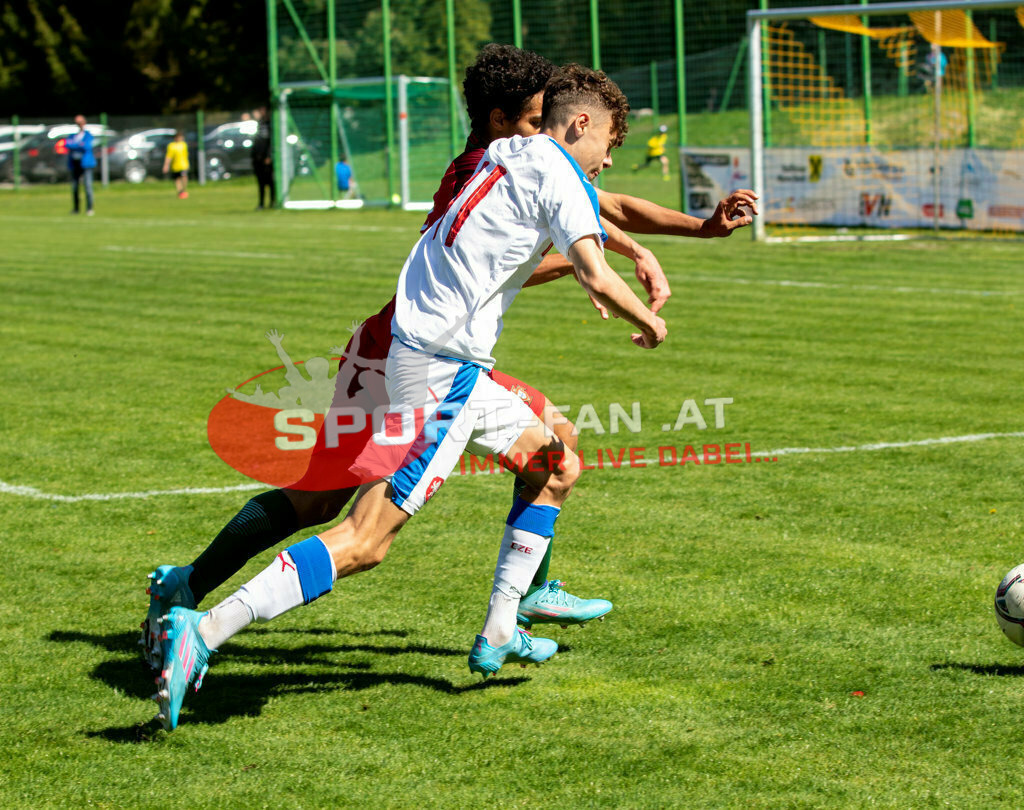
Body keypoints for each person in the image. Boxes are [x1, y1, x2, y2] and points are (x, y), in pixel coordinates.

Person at [150, 62, 672, 730]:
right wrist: (649, 320)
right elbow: (596, 273)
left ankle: (502, 628)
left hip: (426, 354)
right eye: (609, 144)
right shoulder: (558, 171)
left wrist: (626, 241)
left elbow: (584, 215)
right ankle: (204, 628)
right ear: (580, 126)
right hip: (438, 371)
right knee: (364, 540)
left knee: (555, 463)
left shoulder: (505, 152)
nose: (607, 160)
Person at [66, 115, 95, 215]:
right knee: (74, 187)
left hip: (86, 164)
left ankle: (89, 208)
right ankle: (76, 209)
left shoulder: (87, 135)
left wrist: (74, 146)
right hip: (75, 163)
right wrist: (78, 145)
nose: (79, 125)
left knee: (88, 186)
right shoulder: (73, 136)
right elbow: (67, 144)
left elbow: (86, 146)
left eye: (80, 122)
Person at [252, 107, 274, 209]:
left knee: (270, 181)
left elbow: (271, 141)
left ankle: (272, 202)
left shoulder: (271, 124)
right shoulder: (259, 123)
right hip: (258, 158)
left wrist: (269, 156)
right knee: (260, 182)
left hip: (267, 158)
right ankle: (261, 203)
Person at [162, 130, 190, 199]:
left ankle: (184, 190)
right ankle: (180, 192)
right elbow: (168, 156)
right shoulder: (171, 146)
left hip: (183, 165)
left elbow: (186, 155)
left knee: (184, 177)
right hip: (175, 166)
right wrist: (166, 165)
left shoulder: (184, 145)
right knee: (177, 179)